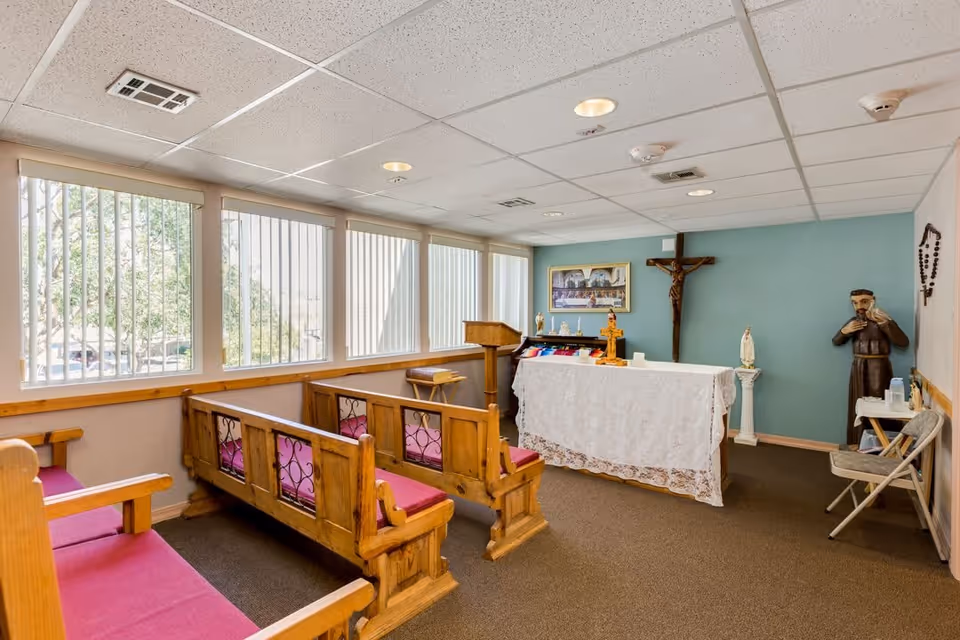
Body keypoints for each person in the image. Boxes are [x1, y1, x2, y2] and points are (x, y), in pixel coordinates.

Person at [832, 289, 909, 445]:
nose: (859, 306)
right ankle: (857, 443)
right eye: (855, 302)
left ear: (873, 300)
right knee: (858, 403)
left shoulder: (882, 319)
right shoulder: (854, 322)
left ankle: (884, 444)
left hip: (879, 367)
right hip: (858, 366)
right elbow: (836, 340)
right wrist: (844, 331)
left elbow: (903, 342)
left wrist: (885, 323)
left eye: (864, 301)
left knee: (880, 404)